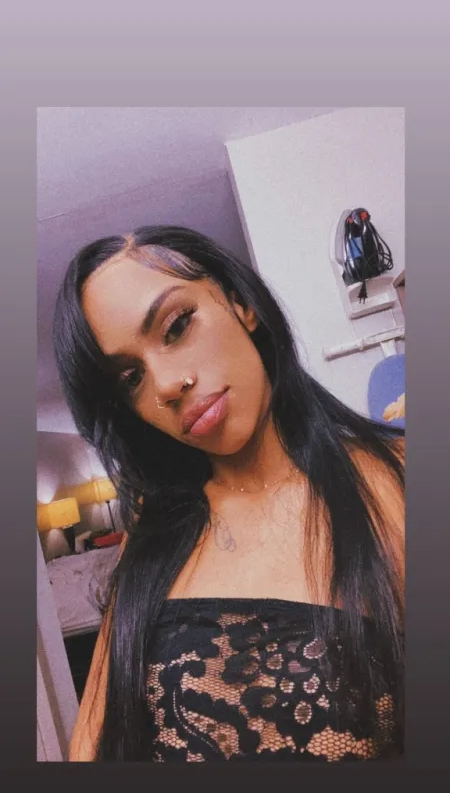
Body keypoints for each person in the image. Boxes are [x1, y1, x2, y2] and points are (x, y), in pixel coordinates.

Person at [52, 226, 405, 762]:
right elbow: (92, 747)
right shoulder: (154, 536)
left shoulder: (394, 478)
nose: (165, 384)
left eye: (176, 326)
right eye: (130, 377)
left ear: (242, 305)